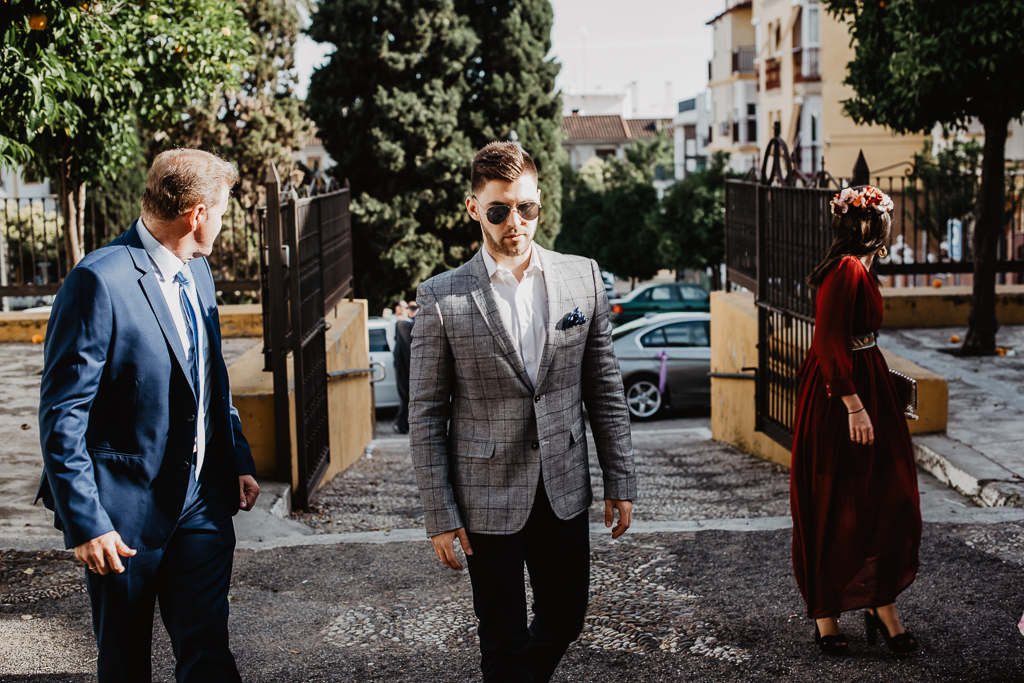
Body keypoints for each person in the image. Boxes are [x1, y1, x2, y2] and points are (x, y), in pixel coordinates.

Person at [409, 141, 637, 682]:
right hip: (486, 494)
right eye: (499, 210)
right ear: (473, 208)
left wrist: (619, 477)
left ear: (540, 202)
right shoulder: (441, 299)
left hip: (563, 486)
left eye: (526, 207)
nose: (516, 221)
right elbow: (424, 415)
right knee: (503, 636)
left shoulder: (583, 277)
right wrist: (440, 516)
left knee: (566, 616)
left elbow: (604, 386)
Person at [37, 149, 260, 682]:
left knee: (208, 651)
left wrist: (238, 458)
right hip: (123, 515)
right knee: (125, 662)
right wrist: (85, 522)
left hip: (202, 505)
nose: (224, 226)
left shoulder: (199, 273)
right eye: (223, 212)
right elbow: (62, 413)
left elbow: (210, 379)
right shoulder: (98, 280)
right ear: (198, 213)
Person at [790, 186, 921, 655]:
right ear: (878, 227)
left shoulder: (858, 268)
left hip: (868, 385)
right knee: (831, 498)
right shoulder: (846, 269)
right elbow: (828, 340)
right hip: (840, 395)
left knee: (889, 495)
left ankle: (879, 603)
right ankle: (826, 613)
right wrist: (853, 404)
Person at [392, 301, 419, 434]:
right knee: (406, 396)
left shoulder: (404, 323)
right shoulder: (402, 323)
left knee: (407, 396)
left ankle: (403, 424)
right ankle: (401, 424)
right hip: (404, 365)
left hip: (404, 364)